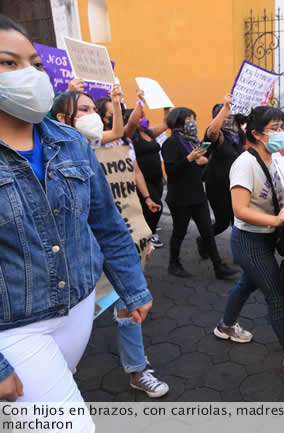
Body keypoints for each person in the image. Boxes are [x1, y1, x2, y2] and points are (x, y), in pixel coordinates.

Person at [0, 14, 151, 419]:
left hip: (80, 305)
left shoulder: (69, 143)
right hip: (14, 325)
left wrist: (132, 287)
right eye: (7, 63)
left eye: (33, 62)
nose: (28, 74)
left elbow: (107, 224)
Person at [51, 91, 169, 398]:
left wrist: (140, 231)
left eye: (94, 109)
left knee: (128, 307)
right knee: (65, 328)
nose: (92, 115)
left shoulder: (113, 146)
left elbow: (124, 192)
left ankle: (137, 369)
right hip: (72, 261)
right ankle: (61, 375)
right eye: (83, 110)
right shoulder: (48, 160)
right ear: (62, 119)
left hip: (118, 241)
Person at [215, 106, 284, 377]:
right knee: (276, 293)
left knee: (248, 283)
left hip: (267, 237)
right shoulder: (244, 164)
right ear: (257, 134)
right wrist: (276, 220)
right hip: (248, 240)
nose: (282, 133)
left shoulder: (277, 157)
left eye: (283, 127)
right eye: (275, 128)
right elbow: (239, 209)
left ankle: (225, 325)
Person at [161, 107, 238, 279]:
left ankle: (219, 267)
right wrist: (189, 159)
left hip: (197, 195)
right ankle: (173, 263)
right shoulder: (171, 143)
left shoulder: (192, 141)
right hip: (180, 197)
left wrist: (202, 161)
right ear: (177, 121)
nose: (192, 122)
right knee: (179, 232)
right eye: (188, 119)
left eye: (193, 118)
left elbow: (197, 165)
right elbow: (171, 170)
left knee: (207, 232)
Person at [197, 94, 245, 259]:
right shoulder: (215, 135)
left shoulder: (237, 135)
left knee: (237, 221)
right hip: (217, 186)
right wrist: (225, 106)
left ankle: (238, 255)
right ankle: (204, 239)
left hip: (235, 185)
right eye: (227, 116)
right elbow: (212, 132)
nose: (230, 119)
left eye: (232, 116)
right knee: (223, 222)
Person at [119, 98, 170, 248]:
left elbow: (165, 124)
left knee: (152, 207)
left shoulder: (149, 132)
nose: (144, 119)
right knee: (156, 206)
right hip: (142, 178)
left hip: (157, 178)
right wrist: (140, 102)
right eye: (141, 116)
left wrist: (166, 108)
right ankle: (149, 233)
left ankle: (145, 232)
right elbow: (133, 122)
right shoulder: (129, 136)